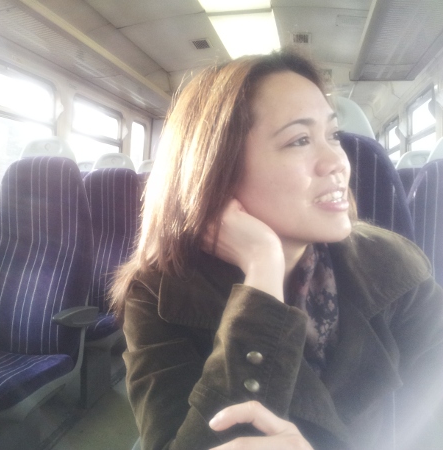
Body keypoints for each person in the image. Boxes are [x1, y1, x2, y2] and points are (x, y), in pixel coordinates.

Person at [110, 50, 443, 450]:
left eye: (333, 135)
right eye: (299, 140)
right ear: (217, 170)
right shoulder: (158, 292)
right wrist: (262, 268)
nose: (337, 161)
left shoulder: (394, 266)